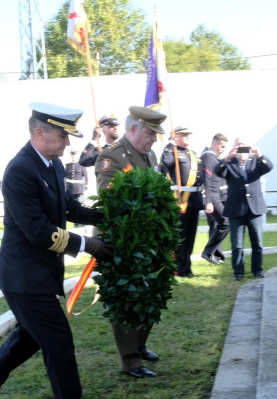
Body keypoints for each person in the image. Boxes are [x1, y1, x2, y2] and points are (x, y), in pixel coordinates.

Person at [0, 102, 120, 399]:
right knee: (58, 341)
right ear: (40, 133)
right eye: (63, 135)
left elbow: (69, 207)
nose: (67, 142)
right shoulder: (20, 170)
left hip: (41, 273)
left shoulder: (54, 164)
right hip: (23, 276)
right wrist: (90, 245)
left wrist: (108, 216)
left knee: (28, 339)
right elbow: (37, 230)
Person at [94, 106, 166, 378]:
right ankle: (130, 361)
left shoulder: (149, 154)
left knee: (150, 294)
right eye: (150, 133)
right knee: (126, 299)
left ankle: (140, 344)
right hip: (119, 239)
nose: (153, 139)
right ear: (133, 129)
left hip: (146, 237)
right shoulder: (112, 156)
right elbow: (110, 199)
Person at [217, 138, 274, 281]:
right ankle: (238, 272)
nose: (241, 149)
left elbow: (269, 167)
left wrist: (259, 154)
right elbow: (217, 171)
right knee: (237, 244)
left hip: (255, 209)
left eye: (243, 146)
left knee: (258, 243)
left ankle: (257, 270)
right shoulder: (229, 163)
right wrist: (227, 157)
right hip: (236, 210)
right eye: (238, 146)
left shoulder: (256, 162)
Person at [160, 125, 203, 278]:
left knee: (190, 237)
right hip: (179, 201)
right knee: (180, 238)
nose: (187, 137)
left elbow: (199, 178)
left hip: (193, 201)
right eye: (183, 135)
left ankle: (187, 267)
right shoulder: (172, 152)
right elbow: (165, 162)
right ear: (175, 136)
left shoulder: (194, 154)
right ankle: (179, 269)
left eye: (188, 135)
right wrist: (171, 145)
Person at [200, 133, 229, 265]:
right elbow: (207, 180)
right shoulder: (208, 157)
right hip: (212, 197)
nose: (222, 149)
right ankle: (208, 252)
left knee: (221, 224)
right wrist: (208, 201)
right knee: (225, 222)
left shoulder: (212, 157)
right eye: (221, 146)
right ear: (214, 143)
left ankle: (213, 254)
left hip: (216, 196)